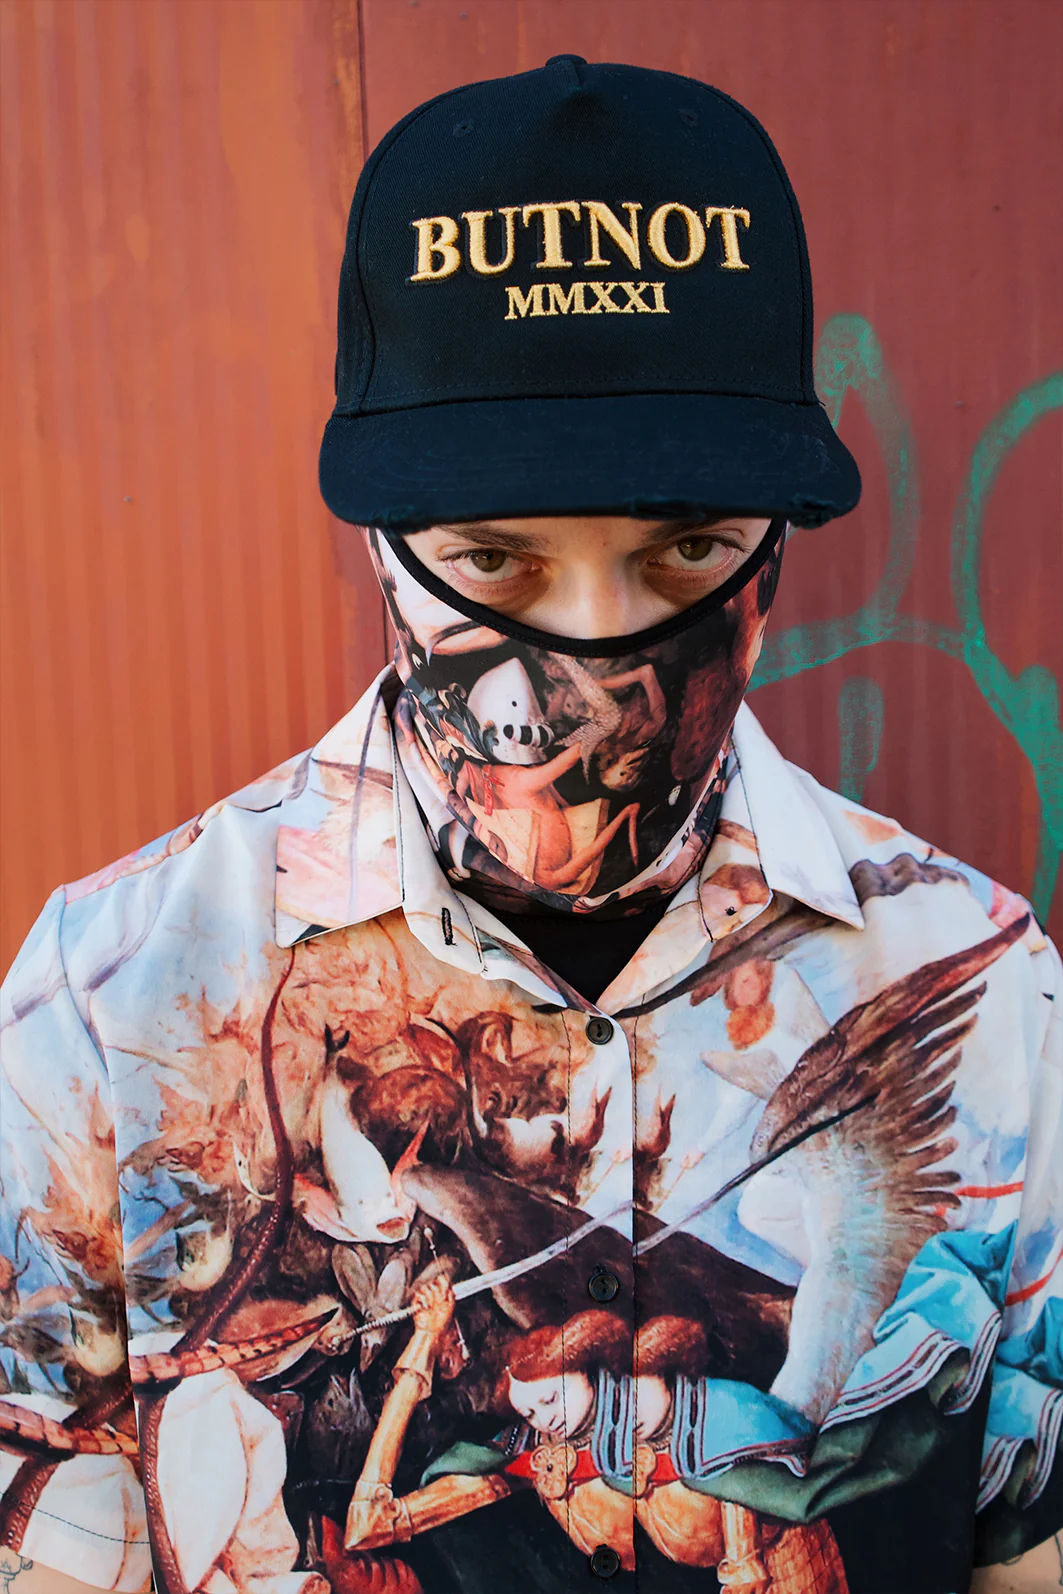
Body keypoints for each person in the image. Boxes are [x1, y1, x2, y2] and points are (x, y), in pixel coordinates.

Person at [0, 54, 1059, 1594]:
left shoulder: (982, 993)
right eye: (495, 558)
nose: (596, 662)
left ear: (768, 552)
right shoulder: (110, 1005)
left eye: (682, 549)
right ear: (381, 540)